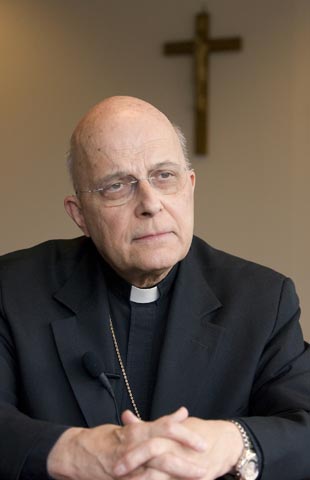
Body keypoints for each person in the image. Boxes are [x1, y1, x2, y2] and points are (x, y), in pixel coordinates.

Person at [0, 96, 309, 480]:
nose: (150, 203)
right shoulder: (13, 290)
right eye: (117, 186)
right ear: (79, 214)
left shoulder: (262, 300)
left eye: (164, 176)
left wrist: (232, 443)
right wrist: (76, 452)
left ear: (190, 187)